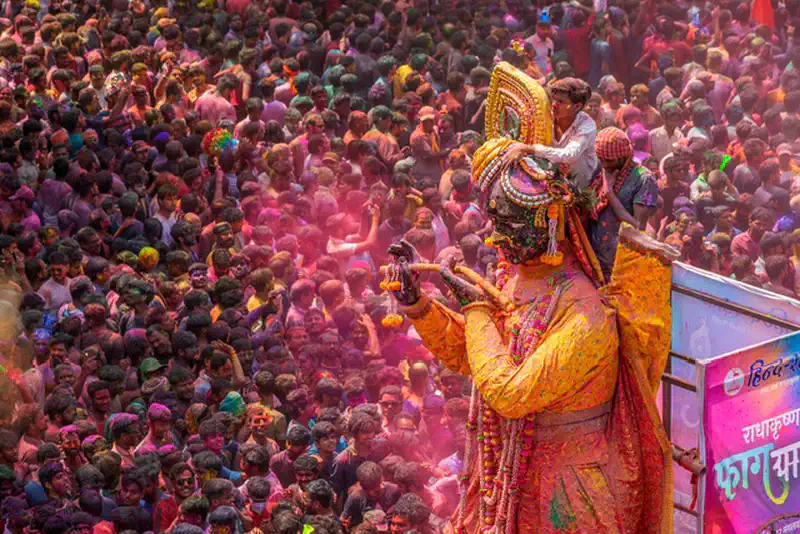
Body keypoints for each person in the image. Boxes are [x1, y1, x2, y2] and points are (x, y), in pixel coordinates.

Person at [386, 88, 675, 532]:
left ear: (550, 224)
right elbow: (477, 356)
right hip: (512, 479)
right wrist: (420, 306)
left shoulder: (586, 313)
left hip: (573, 498)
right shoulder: (524, 278)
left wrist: (478, 307)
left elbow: (510, 392)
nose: (496, 240)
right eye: (495, 225)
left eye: (508, 227)